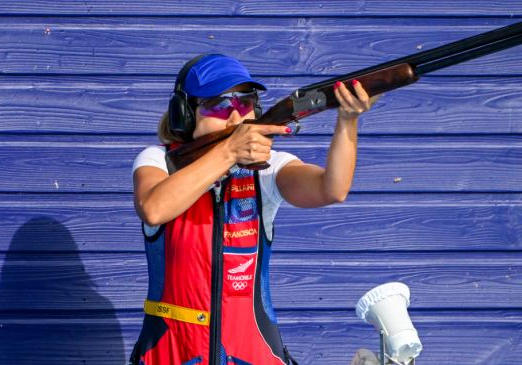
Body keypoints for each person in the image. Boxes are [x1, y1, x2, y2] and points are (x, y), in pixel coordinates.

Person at [129, 54, 380, 365]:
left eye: (245, 103)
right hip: (172, 352)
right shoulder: (158, 161)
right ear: (185, 114)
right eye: (219, 105)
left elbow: (332, 189)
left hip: (252, 353)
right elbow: (153, 208)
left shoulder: (268, 167)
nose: (235, 117)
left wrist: (347, 119)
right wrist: (230, 151)